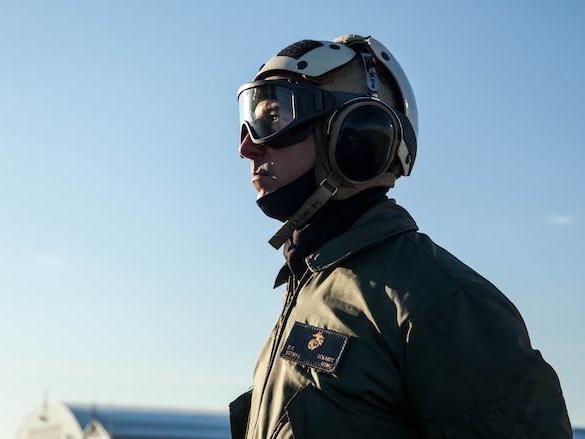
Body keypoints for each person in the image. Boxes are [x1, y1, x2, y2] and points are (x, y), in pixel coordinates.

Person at [229, 35, 572, 438]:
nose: (248, 147)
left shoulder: (441, 304)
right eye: (249, 118)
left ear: (354, 134)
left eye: (273, 116)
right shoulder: (310, 286)